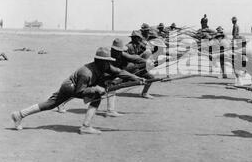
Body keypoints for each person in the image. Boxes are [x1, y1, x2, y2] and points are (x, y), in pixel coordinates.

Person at [11, 47, 144, 134]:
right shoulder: (86, 72)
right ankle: (85, 126)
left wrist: (137, 78)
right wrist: (96, 88)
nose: (107, 64)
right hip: (70, 87)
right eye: (105, 61)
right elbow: (81, 92)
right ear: (98, 60)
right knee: (96, 96)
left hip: (72, 85)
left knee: (50, 104)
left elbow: (120, 72)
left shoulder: (104, 66)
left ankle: (19, 114)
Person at [125, 31, 157, 99]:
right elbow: (133, 59)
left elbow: (150, 50)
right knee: (150, 77)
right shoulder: (129, 46)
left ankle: (144, 93)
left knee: (151, 77)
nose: (140, 40)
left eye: (140, 38)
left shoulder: (139, 44)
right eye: (138, 38)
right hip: (131, 67)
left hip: (137, 65)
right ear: (134, 38)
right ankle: (144, 93)